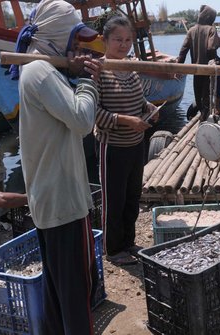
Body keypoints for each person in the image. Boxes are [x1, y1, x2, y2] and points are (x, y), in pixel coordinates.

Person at [15, 0, 103, 333]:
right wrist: (89, 81)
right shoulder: (40, 71)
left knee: (60, 295)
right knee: (79, 295)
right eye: (74, 38)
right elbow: (81, 120)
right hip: (64, 202)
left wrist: (72, 71)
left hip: (50, 199)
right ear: (56, 35)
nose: (79, 45)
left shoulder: (39, 69)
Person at [94, 16, 158, 266]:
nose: (124, 45)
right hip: (113, 147)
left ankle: (128, 242)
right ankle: (113, 249)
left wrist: (148, 107)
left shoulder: (130, 67)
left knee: (132, 196)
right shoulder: (98, 71)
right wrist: (127, 120)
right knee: (114, 200)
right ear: (105, 41)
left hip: (136, 144)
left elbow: (139, 100)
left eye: (128, 40)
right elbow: (94, 113)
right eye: (118, 40)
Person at [177, 5, 220, 120]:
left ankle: (202, 118)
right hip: (207, 69)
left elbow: (183, 52)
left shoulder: (191, 30)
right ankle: (204, 120)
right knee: (206, 98)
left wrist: (178, 68)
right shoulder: (211, 29)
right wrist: (216, 58)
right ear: (210, 17)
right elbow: (211, 48)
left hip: (196, 70)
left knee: (198, 98)